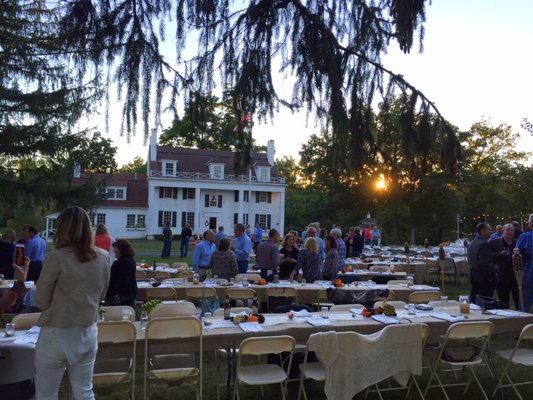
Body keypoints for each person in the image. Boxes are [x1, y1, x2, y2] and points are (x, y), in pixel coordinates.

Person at [35, 206, 110, 399]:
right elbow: (101, 295)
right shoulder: (103, 257)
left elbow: (41, 301)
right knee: (84, 391)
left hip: (57, 330)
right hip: (87, 330)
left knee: (46, 395)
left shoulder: (56, 257)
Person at [490, 223, 519, 309]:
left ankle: (521, 318)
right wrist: (499, 254)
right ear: (503, 231)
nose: (510, 232)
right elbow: (489, 256)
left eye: (512, 230)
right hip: (501, 275)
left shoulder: (517, 242)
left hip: (516, 275)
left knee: (518, 299)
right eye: (508, 230)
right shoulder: (494, 242)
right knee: (503, 301)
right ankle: (505, 319)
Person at [467, 223, 496, 303]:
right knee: (483, 302)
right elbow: (484, 263)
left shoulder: (472, 242)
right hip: (483, 278)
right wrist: (490, 277)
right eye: (489, 229)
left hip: (473, 276)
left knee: (473, 302)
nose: (491, 231)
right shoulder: (484, 244)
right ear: (483, 231)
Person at [105, 239, 137, 308]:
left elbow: (123, 280)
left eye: (116, 248)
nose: (114, 250)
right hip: (126, 294)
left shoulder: (123, 262)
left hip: (122, 297)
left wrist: (117, 294)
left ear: (121, 249)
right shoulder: (128, 260)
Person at [516, 214, 533, 312]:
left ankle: (523, 325)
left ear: (530, 224)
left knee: (525, 305)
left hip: (528, 275)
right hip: (528, 275)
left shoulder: (525, 237)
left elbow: (516, 255)